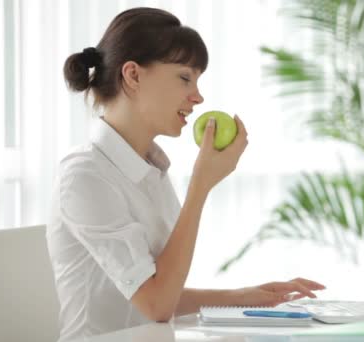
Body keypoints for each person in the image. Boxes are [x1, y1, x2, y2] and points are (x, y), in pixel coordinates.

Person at [46, 7, 325, 341]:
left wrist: (246, 298)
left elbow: (154, 295)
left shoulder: (151, 169)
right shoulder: (85, 175)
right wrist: (201, 185)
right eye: (184, 78)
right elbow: (157, 305)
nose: (198, 96)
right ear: (133, 75)